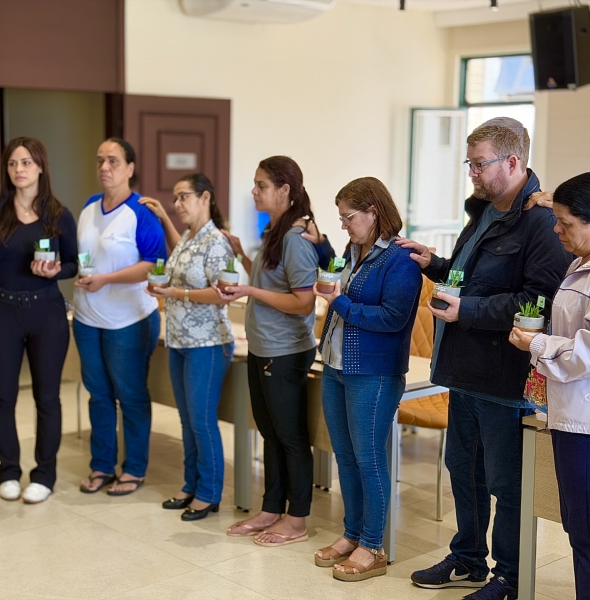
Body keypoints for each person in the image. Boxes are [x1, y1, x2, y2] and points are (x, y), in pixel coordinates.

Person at [399, 117, 572, 599]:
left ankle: (509, 577)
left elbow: (538, 303)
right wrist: (433, 263)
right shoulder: (484, 213)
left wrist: (468, 311)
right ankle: (469, 558)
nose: (472, 173)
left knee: (505, 484)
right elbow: (468, 278)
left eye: (479, 164)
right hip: (464, 370)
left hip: (504, 376)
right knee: (464, 470)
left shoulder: (541, 222)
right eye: (469, 164)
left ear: (512, 161)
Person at [314, 177, 422, 581]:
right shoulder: (353, 250)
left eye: (348, 217)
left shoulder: (399, 259)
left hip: (374, 373)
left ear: (373, 212)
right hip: (336, 366)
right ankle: (352, 534)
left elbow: (393, 318)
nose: (344, 225)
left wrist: (339, 301)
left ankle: (373, 546)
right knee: (344, 456)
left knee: (369, 459)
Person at [220, 156, 318, 546]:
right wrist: (242, 256)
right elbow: (270, 283)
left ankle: (297, 519)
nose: (254, 191)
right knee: (270, 432)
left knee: (290, 436)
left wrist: (248, 290)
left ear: (284, 190)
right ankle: (271, 508)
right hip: (263, 347)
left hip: (285, 350)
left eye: (261, 185)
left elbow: (303, 303)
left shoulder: (296, 238)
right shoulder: (274, 231)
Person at [0, 137, 77, 504]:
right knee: (2, 397)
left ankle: (44, 474)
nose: (19, 169)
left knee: (47, 398)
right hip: (1, 311)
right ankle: (8, 471)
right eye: (12, 163)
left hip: (46, 312)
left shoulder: (59, 214)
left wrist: (55, 271)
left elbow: (73, 263)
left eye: (26, 162)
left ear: (40, 167)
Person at [509, 172, 590, 600]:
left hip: (583, 421)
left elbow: (586, 353)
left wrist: (537, 343)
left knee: (585, 532)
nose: (556, 229)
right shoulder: (579, 263)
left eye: (565, 222)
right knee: (578, 528)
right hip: (568, 413)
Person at [73, 138, 167, 496]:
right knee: (98, 394)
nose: (104, 167)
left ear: (130, 168)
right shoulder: (89, 206)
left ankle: (134, 469)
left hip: (129, 320)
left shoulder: (140, 212)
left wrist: (106, 279)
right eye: (100, 160)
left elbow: (154, 264)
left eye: (113, 161)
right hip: (87, 317)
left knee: (130, 395)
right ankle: (101, 466)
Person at [139, 173, 234, 521]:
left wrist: (176, 293)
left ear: (205, 197)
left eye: (183, 197)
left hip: (207, 343)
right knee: (187, 419)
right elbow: (181, 265)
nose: (177, 204)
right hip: (179, 340)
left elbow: (223, 294)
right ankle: (191, 484)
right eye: (175, 198)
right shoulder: (189, 238)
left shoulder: (217, 242)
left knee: (202, 420)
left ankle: (208, 493)